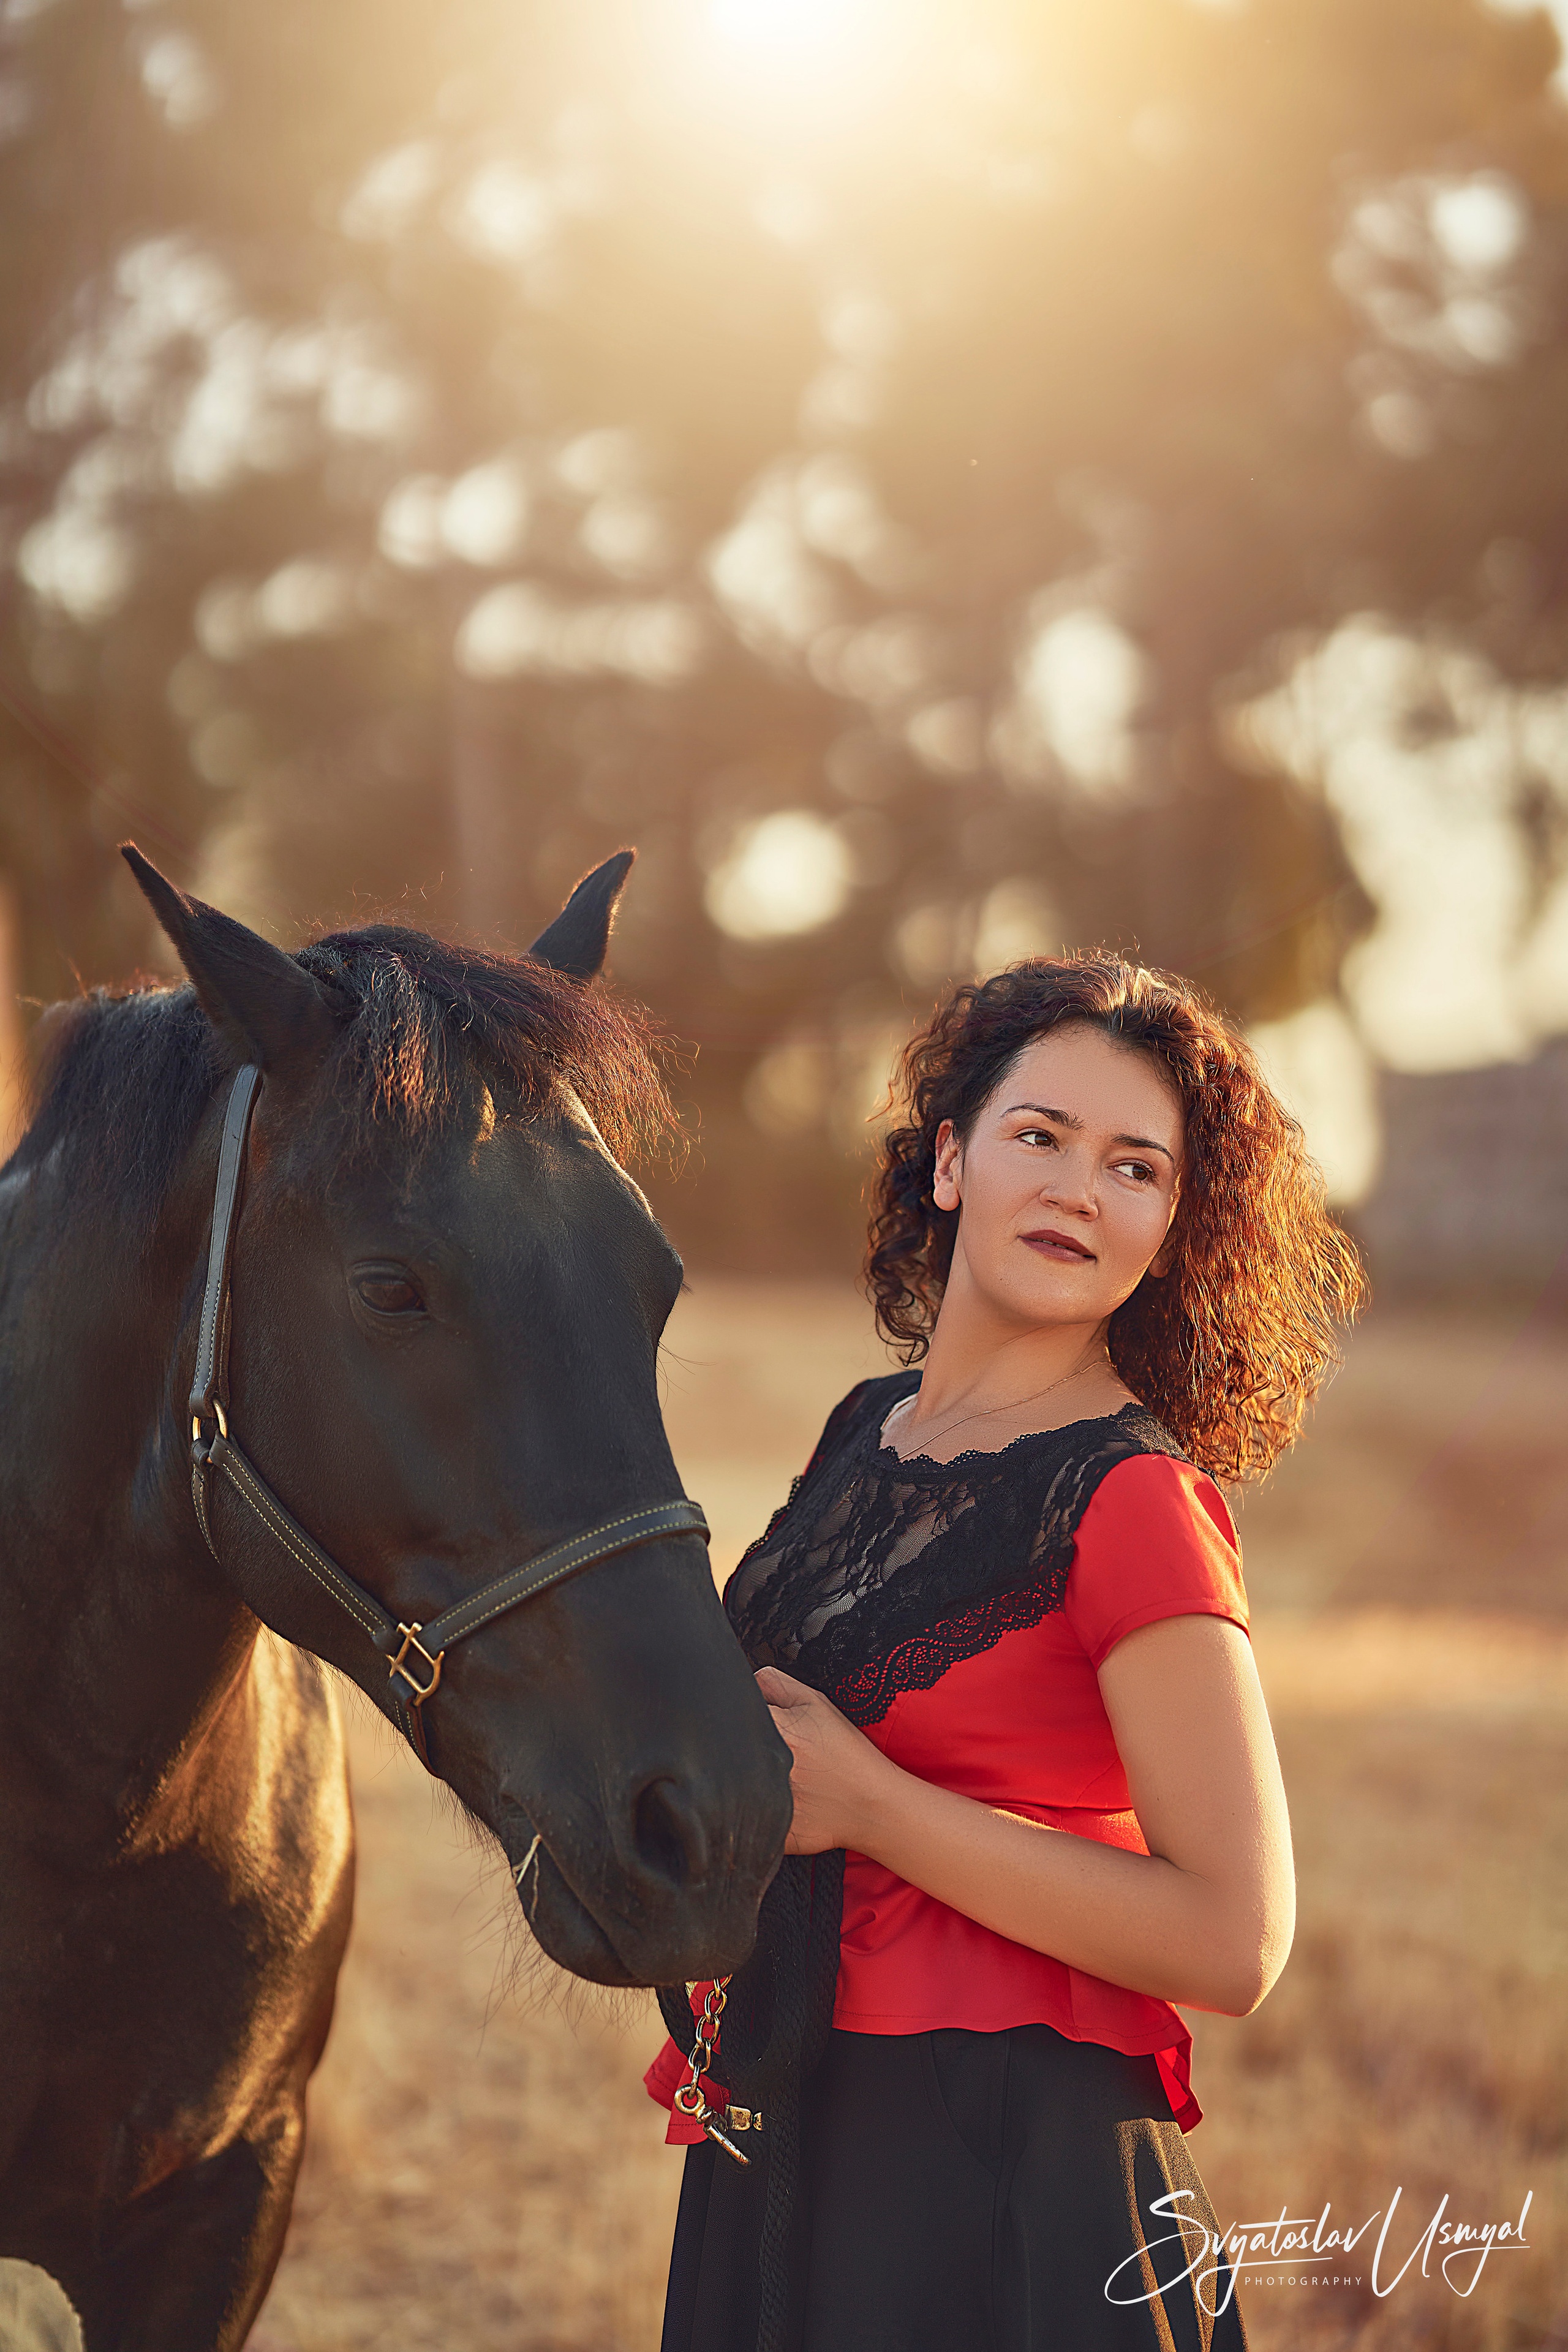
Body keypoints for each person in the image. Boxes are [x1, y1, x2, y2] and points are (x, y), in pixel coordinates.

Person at [646, 952, 1365, 2352]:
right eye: (1038, 1136)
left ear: (1170, 1225)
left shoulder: (1131, 1501)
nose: (1079, 1190)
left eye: (1134, 1167)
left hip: (1000, 2168)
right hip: (790, 2107)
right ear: (946, 1164)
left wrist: (877, 1811)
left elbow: (1234, 1937)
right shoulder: (866, 1429)